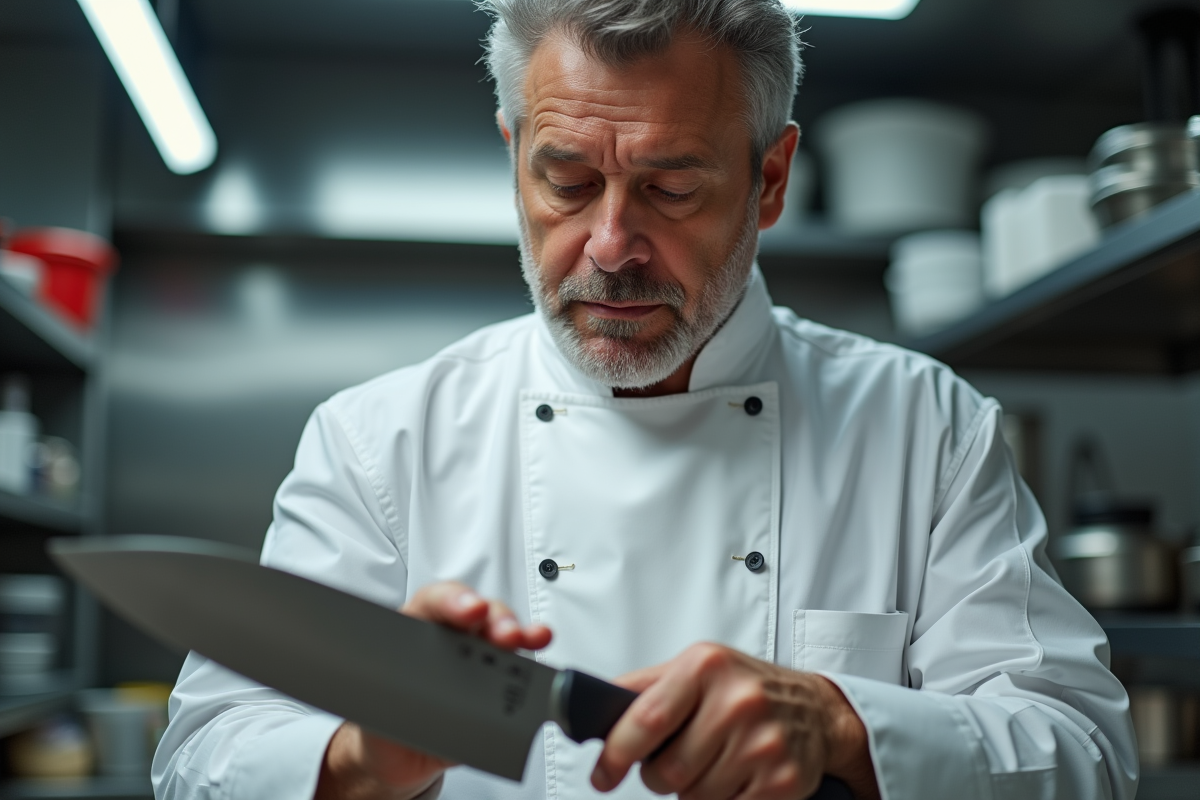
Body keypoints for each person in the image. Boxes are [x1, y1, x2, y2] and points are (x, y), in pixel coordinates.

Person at [152, 1, 1138, 798]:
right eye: (568, 182)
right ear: (512, 156)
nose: (612, 245)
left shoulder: (926, 426)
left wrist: (840, 722)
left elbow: (1085, 750)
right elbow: (202, 752)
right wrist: (358, 757)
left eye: (670, 188)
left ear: (769, 179)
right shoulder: (380, 441)